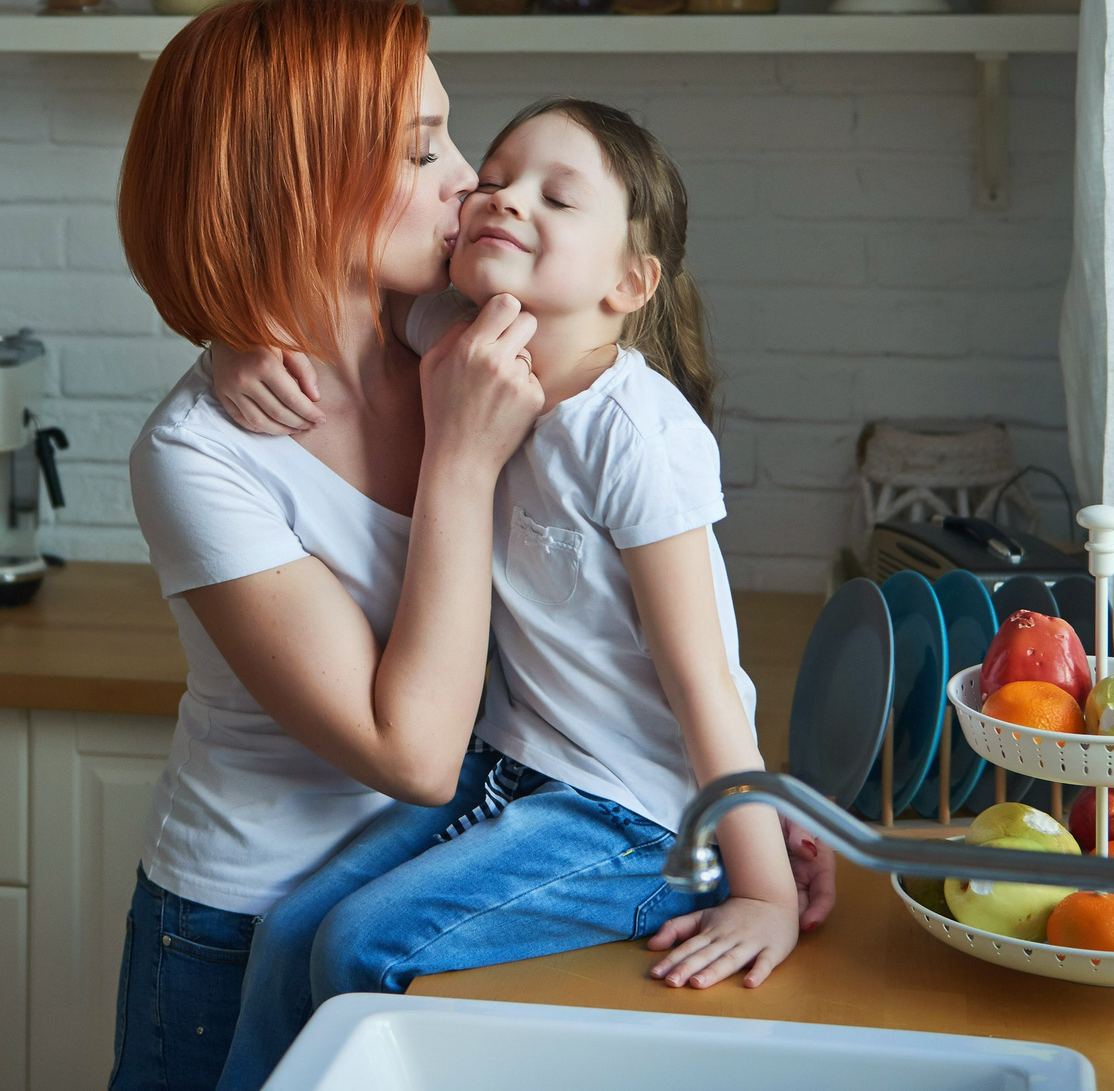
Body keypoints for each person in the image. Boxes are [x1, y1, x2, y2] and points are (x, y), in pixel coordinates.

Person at [208, 99, 808, 1091]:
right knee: (289, 934)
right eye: (493, 176)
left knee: (357, 943)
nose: (503, 196)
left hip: (635, 820)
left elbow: (705, 683)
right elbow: (325, 298)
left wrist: (766, 892)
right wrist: (233, 337)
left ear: (629, 280)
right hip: (511, 772)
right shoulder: (460, 332)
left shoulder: (637, 435)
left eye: (556, 194)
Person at [110, 0, 545, 1091]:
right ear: (291, 183)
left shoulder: (457, 333)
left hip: (443, 890)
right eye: (420, 149)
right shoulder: (199, 456)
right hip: (237, 933)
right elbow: (410, 754)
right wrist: (458, 459)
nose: (467, 178)